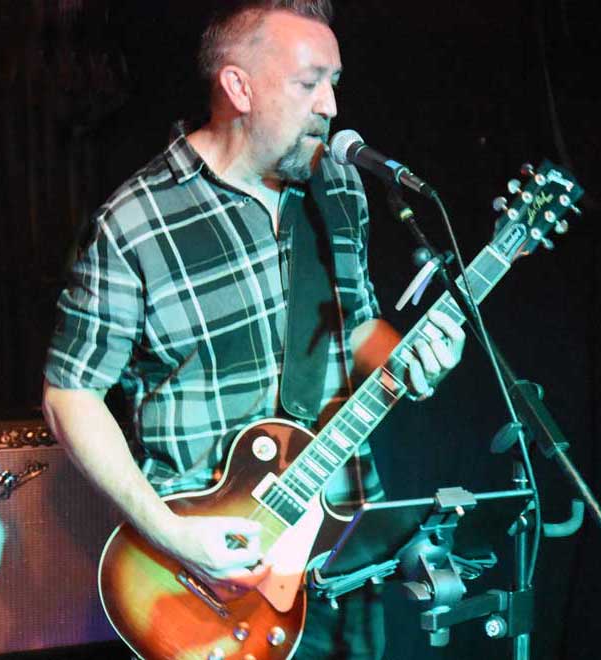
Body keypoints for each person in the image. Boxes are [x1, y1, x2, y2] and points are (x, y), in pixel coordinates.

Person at [41, 1, 465, 659]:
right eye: (309, 83)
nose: (330, 105)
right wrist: (171, 534)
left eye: (334, 82)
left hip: (340, 561)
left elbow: (356, 330)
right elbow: (70, 395)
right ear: (238, 87)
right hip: (207, 577)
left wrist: (416, 361)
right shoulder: (136, 222)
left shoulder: (338, 189)